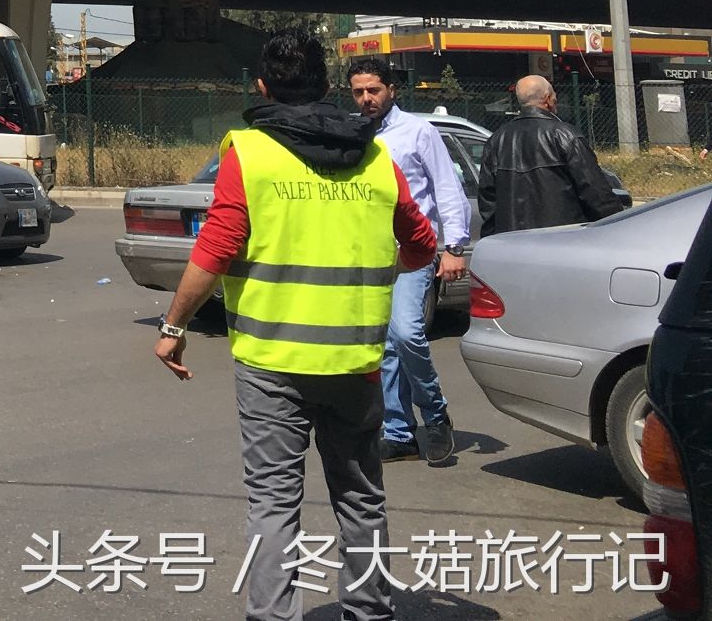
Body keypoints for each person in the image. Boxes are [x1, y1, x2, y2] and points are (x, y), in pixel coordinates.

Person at [152, 34, 437, 621]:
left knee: (274, 505)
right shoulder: (375, 156)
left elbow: (217, 246)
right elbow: (420, 244)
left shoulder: (250, 153)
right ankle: (370, 611)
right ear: (329, 87)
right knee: (361, 498)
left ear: (262, 87)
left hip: (271, 364)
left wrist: (173, 325)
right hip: (355, 362)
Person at [348, 64, 470, 466]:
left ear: (392, 90)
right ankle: (399, 432)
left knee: (406, 334)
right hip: (370, 254)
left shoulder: (419, 132)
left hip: (413, 250)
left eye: (374, 90)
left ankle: (435, 416)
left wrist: (454, 247)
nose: (367, 99)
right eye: (359, 92)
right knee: (383, 345)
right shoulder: (354, 133)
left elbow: (447, 188)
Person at [477, 73, 624, 237]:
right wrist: (619, 226)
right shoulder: (565, 135)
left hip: (512, 242)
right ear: (548, 99)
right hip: (562, 240)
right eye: (554, 95)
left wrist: (494, 239)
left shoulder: (496, 140)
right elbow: (595, 192)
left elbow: (488, 200)